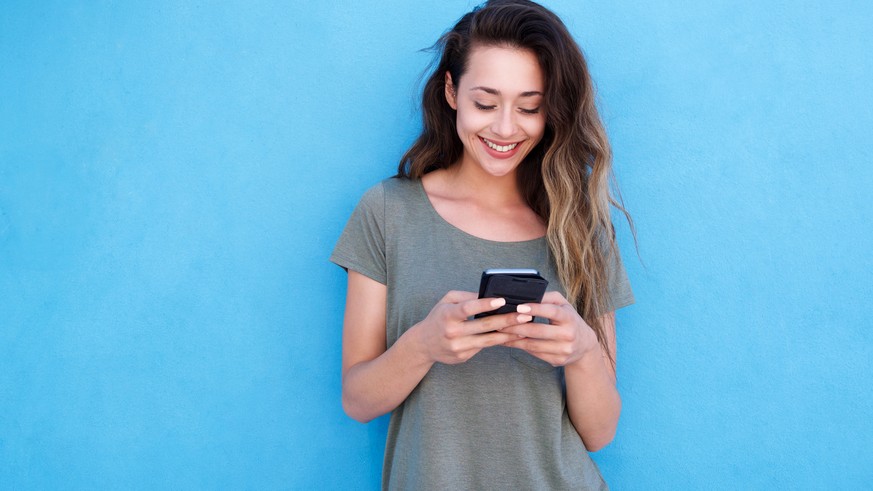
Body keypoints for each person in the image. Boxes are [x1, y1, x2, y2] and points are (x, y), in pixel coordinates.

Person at [330, 1, 635, 489]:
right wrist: (424, 343)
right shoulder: (387, 212)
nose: (506, 128)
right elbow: (358, 400)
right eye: (486, 103)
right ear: (452, 91)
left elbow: (599, 433)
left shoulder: (581, 227)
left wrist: (581, 352)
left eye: (530, 107)